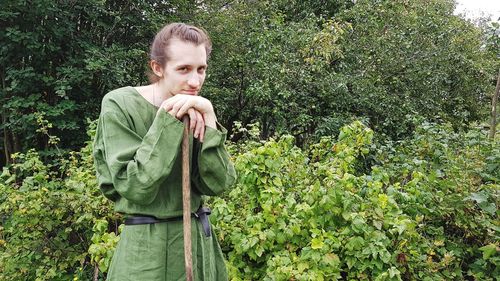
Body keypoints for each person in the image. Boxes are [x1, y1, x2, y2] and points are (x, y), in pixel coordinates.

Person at [92, 22, 236, 281]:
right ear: (157, 68)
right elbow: (135, 185)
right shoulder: (119, 105)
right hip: (147, 253)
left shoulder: (196, 108)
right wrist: (167, 120)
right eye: (183, 69)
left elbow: (219, 184)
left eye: (201, 69)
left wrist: (211, 120)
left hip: (198, 248)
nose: (195, 81)